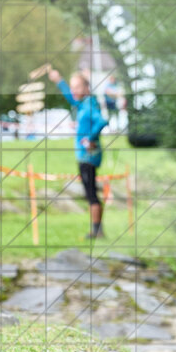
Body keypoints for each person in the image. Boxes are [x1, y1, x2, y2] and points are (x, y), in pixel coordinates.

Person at [48, 66, 109, 239]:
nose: (74, 90)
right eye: (72, 87)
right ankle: (98, 230)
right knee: (91, 192)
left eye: (77, 87)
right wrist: (59, 81)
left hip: (88, 156)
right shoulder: (82, 103)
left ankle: (97, 231)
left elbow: (102, 121)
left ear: (86, 88)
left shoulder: (88, 105)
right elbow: (71, 98)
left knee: (91, 194)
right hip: (85, 156)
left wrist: (90, 138)